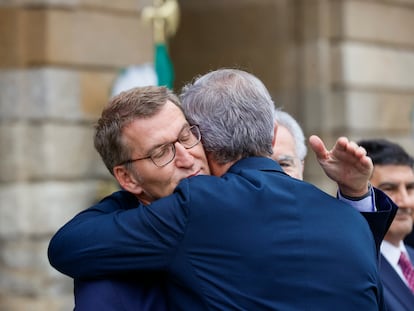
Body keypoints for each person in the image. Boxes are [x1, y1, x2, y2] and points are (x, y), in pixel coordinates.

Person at [48, 69, 396, 310]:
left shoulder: (198, 206)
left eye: (186, 136)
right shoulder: (349, 219)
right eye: (161, 152)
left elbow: (67, 245)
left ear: (207, 139)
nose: (185, 157)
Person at [272, 110, 396, 248]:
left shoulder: (324, 223)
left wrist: (355, 191)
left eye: (284, 164)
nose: (272, 174)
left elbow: (360, 257)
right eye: (262, 164)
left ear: (301, 166)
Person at [358, 139, 414, 311]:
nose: (404, 201)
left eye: (410, 188)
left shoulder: (411, 257)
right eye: (390, 188)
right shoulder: (358, 267)